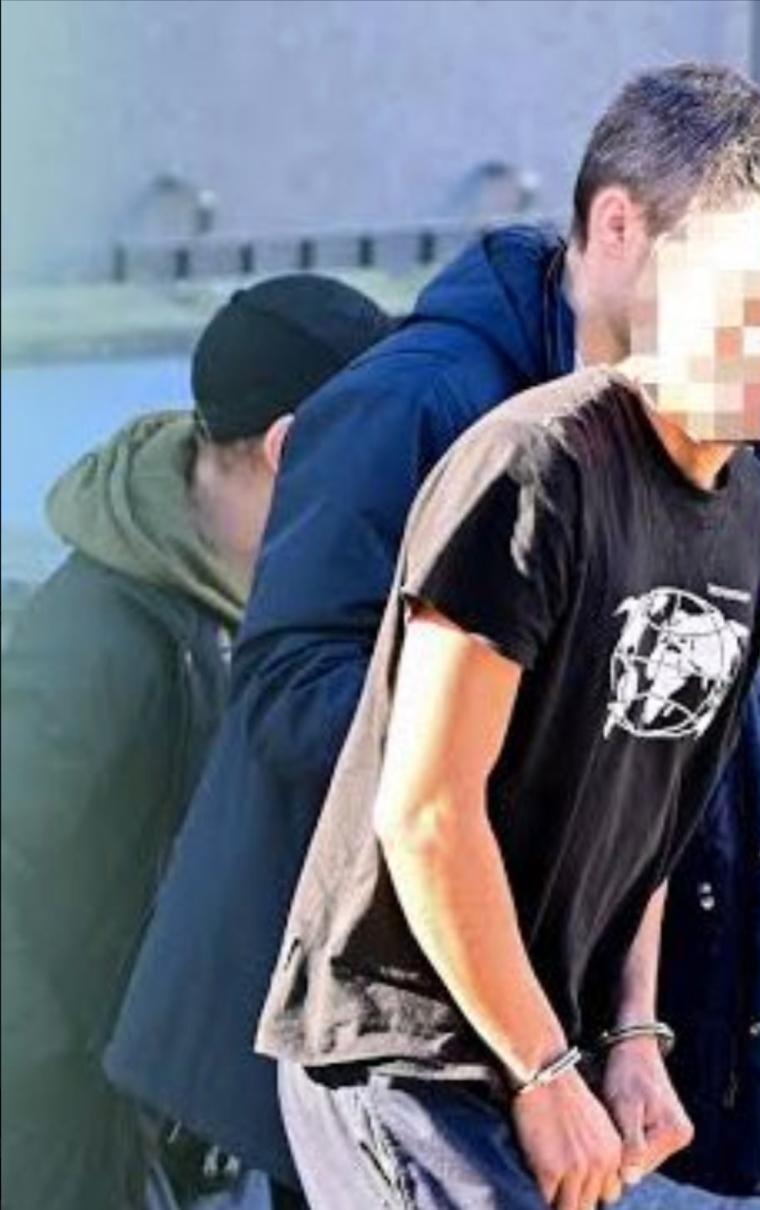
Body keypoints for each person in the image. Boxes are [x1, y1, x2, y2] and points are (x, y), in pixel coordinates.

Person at [107, 64, 760, 1205]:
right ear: (622, 228)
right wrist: (502, 750)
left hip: (530, 1009)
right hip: (362, 1010)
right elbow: (288, 690)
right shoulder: (432, 404)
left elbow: (705, 743)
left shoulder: (728, 465)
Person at [260, 172, 760, 1210]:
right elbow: (344, 732)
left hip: (541, 1031)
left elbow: (661, 789)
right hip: (404, 1031)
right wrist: (508, 749)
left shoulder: (745, 513)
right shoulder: (497, 439)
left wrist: (634, 1030)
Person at [0, 274, 392, 1210]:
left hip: (219, 1117)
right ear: (290, 447)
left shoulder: (291, 605)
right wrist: (56, 1092)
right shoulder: (99, 637)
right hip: (95, 1136)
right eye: (378, 454)